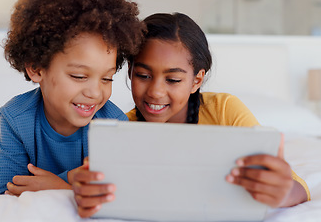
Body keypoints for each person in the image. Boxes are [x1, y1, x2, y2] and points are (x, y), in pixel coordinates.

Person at [126, 12, 310, 208]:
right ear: (130, 71)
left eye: (173, 80)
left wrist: (283, 192)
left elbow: (298, 188)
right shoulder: (122, 128)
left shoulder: (223, 111)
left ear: (196, 80)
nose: (155, 92)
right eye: (143, 75)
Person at [0, 0, 144, 212]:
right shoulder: (15, 117)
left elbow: (115, 193)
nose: (95, 93)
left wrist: (57, 185)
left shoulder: (114, 125)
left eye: (107, 78)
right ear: (36, 68)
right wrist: (73, 179)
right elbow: (6, 188)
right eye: (79, 76)